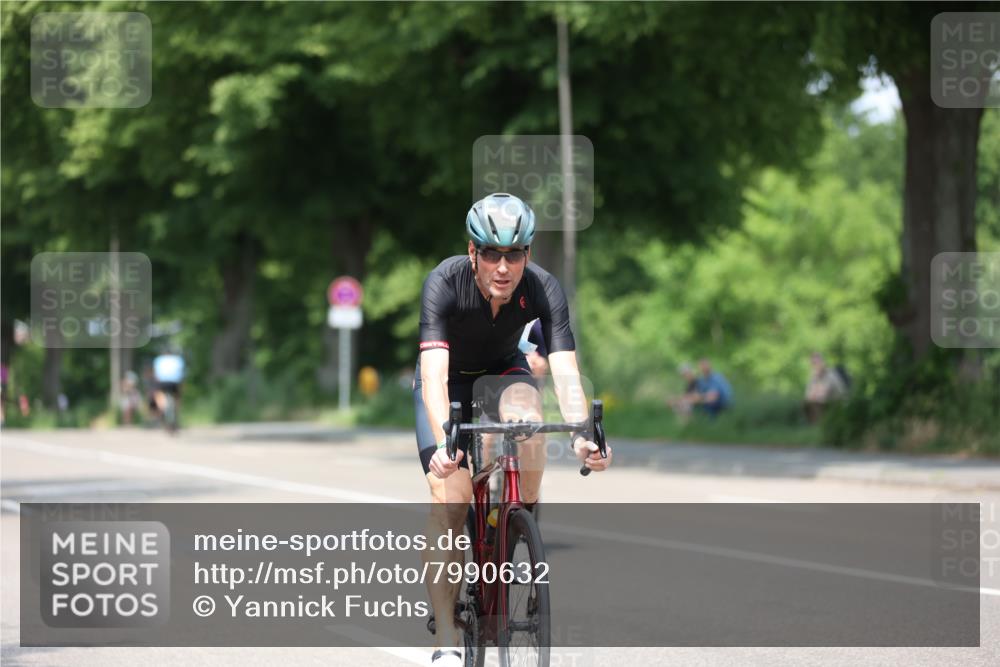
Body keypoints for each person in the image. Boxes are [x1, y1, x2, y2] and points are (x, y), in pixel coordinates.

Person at [414, 192, 612, 666]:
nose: (503, 267)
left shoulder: (543, 288)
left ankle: (520, 516)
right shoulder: (444, 282)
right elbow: (436, 376)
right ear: (472, 252)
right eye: (491, 254)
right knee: (450, 504)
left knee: (528, 414)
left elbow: (564, 371)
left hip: (505, 372)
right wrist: (446, 441)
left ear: (528, 253)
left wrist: (583, 434)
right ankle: (445, 639)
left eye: (515, 254)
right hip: (449, 385)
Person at [804, 352, 847, 423]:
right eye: (813, 364)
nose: (816, 365)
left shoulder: (831, 375)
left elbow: (823, 396)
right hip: (827, 405)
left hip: (837, 405)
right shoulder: (814, 378)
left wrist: (815, 392)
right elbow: (808, 397)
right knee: (807, 404)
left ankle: (822, 423)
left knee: (817, 403)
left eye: (817, 363)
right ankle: (816, 423)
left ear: (822, 362)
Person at [152, 348, 185, 430]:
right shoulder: (178, 359)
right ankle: (176, 414)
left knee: (158, 395)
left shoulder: (158, 360)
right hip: (174, 383)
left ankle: (162, 409)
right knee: (177, 397)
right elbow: (181, 373)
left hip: (162, 383)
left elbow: (156, 374)